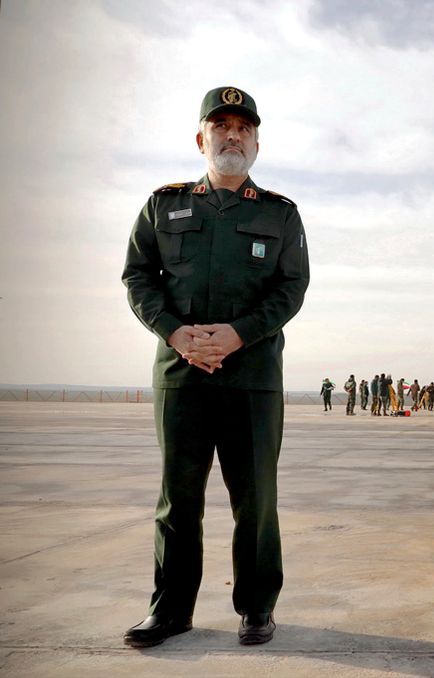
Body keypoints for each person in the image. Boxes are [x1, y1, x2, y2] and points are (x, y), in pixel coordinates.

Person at [121, 86, 308, 648]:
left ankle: (257, 607)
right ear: (200, 139)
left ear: (256, 144)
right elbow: (138, 276)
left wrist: (238, 334)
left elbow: (291, 287)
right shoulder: (163, 205)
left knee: (255, 499)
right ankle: (170, 610)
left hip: (252, 378)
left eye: (244, 128)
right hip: (181, 375)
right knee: (178, 499)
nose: (233, 135)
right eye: (221, 126)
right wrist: (174, 332)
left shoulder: (279, 213)